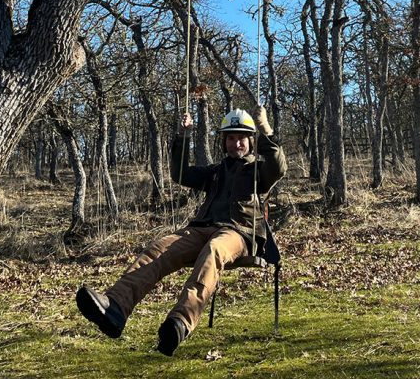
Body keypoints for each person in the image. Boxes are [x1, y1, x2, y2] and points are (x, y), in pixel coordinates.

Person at [75, 105, 286, 356]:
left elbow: (278, 168)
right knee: (160, 248)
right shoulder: (215, 172)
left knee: (214, 251)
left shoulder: (257, 172)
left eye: (242, 137)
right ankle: (115, 308)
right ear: (224, 142)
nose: (236, 143)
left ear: (251, 142)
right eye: (231, 138)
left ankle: (180, 322)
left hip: (237, 234)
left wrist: (266, 130)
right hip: (201, 229)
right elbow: (180, 174)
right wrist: (182, 137)